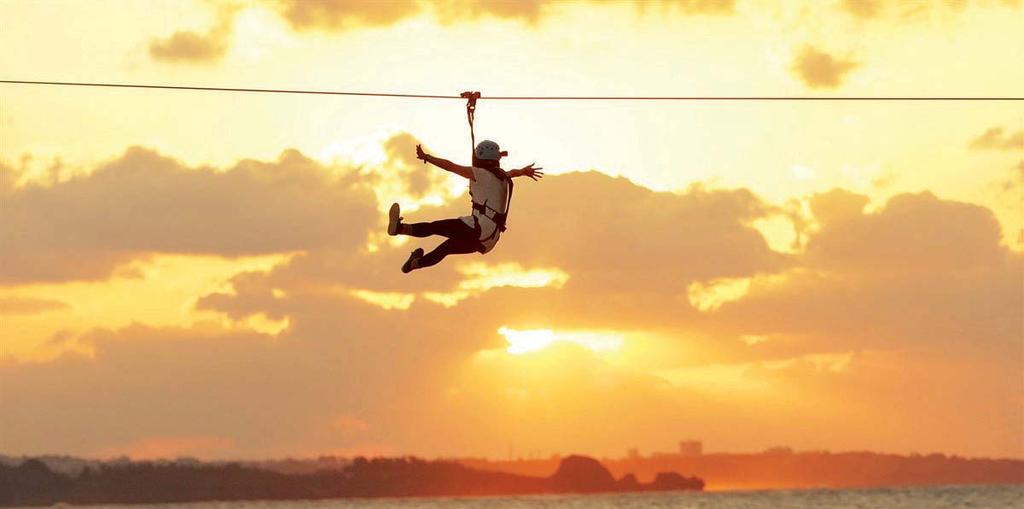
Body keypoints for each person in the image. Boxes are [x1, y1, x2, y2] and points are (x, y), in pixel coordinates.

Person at [388, 140, 543, 273]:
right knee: (445, 249)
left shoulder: (480, 174)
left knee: (434, 227)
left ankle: (399, 229)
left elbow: (450, 166)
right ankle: (414, 264)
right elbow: (512, 172)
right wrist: (523, 171)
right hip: (488, 240)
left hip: (478, 228)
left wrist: (426, 157)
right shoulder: (502, 177)